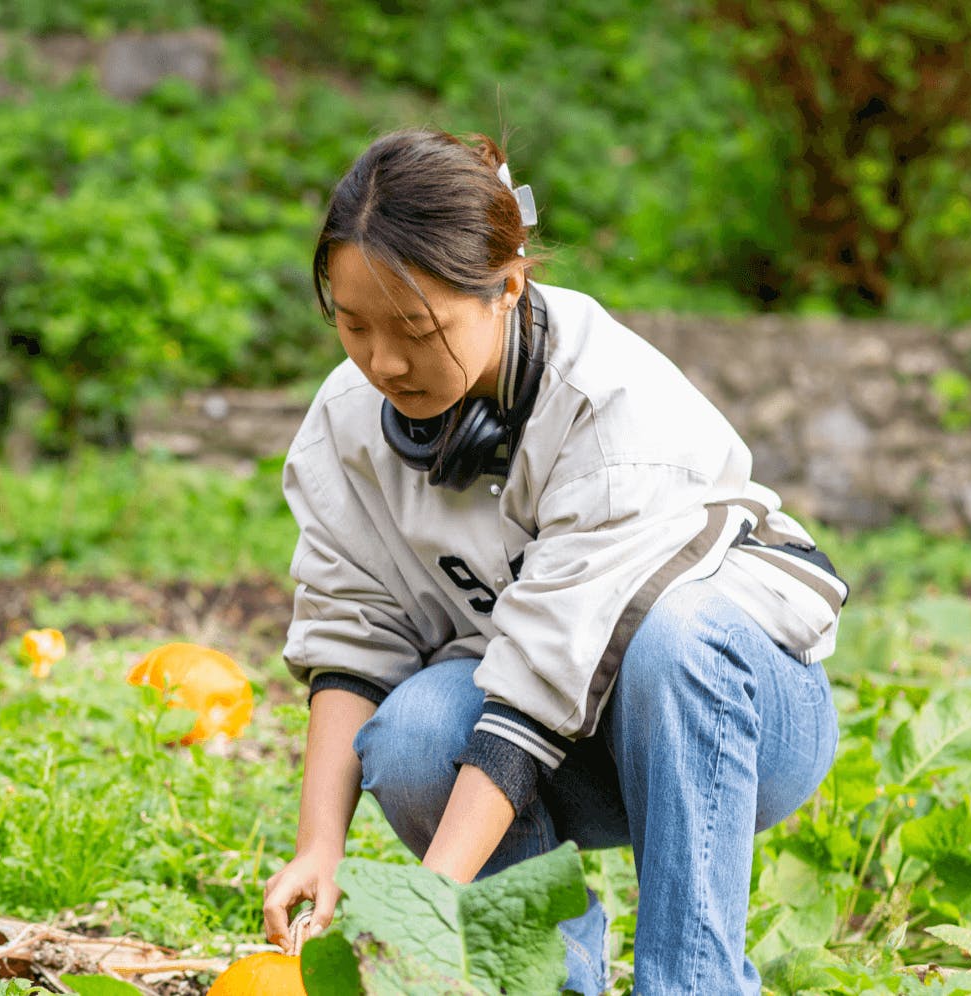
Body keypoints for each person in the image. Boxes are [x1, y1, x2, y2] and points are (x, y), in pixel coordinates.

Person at [258, 127, 848, 995]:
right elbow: (353, 635)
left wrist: (431, 904)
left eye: (418, 329)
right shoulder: (349, 419)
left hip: (734, 722)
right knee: (417, 729)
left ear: (507, 285)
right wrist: (320, 847)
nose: (383, 362)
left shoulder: (611, 410)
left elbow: (539, 685)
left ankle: (692, 985)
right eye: (353, 325)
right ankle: (540, 980)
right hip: (557, 741)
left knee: (675, 637)